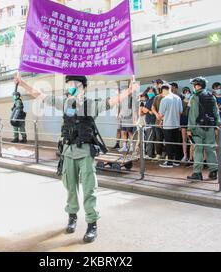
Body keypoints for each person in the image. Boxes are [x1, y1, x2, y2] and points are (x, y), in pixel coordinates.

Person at [14, 73, 138, 243]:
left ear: (82, 86)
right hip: (68, 152)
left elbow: (111, 102)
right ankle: (72, 217)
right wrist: (23, 83)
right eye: (68, 83)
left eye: (72, 83)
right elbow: (41, 96)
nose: (69, 86)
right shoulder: (65, 103)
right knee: (70, 187)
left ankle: (91, 224)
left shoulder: (91, 105)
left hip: (85, 152)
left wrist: (129, 90)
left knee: (89, 189)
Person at [187, 77, 221, 181]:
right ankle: (213, 172)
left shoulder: (195, 97)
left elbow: (193, 114)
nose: (193, 87)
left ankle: (197, 173)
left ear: (198, 86)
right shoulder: (212, 96)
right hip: (210, 127)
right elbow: (216, 113)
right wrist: (217, 125)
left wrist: (190, 128)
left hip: (198, 127)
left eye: (194, 85)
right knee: (211, 149)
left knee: (198, 150)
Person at [158, 83, 183, 167]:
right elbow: (180, 112)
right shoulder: (178, 98)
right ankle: (176, 161)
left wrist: (160, 119)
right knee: (176, 143)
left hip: (167, 125)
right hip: (176, 124)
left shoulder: (164, 99)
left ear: (164, 90)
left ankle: (169, 162)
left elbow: (160, 114)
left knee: (168, 144)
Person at [118, 82, 137, 153]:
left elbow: (134, 110)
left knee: (130, 133)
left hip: (129, 119)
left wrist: (134, 119)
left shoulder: (131, 98)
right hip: (123, 118)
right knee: (123, 132)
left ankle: (132, 146)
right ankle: (124, 147)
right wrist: (119, 114)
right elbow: (121, 108)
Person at [142, 87, 159, 159]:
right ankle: (150, 153)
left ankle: (150, 154)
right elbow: (143, 111)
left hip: (152, 121)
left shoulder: (154, 99)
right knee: (149, 138)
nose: (150, 92)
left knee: (150, 138)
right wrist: (145, 110)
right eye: (149, 91)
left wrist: (147, 110)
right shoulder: (148, 99)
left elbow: (152, 111)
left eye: (151, 91)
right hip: (148, 121)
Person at [180, 87, 193, 163]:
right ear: (183, 94)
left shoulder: (192, 101)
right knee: (184, 139)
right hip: (184, 121)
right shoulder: (181, 102)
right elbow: (181, 112)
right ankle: (185, 155)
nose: (187, 94)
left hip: (191, 122)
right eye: (186, 92)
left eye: (188, 92)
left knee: (191, 140)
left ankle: (191, 157)